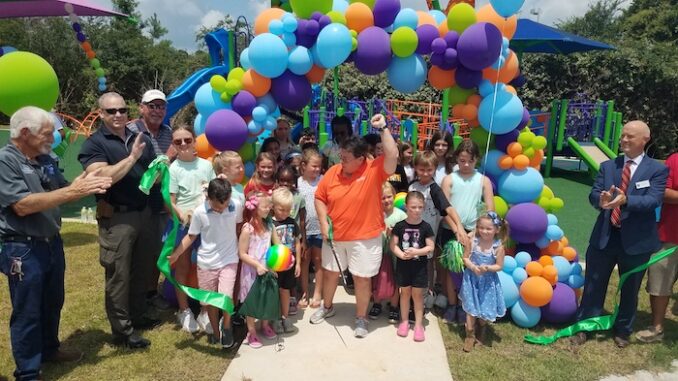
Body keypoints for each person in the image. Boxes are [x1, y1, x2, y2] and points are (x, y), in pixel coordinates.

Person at [0, 106, 112, 380]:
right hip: (22, 248)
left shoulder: (45, 159)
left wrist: (84, 181)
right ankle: (27, 371)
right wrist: (72, 191)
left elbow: (63, 190)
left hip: (51, 243)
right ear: (25, 133)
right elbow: (23, 205)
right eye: (47, 134)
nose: (53, 140)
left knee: (53, 302)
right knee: (27, 310)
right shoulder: (6, 161)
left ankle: (50, 349)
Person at [571, 121, 669, 348]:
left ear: (645, 139)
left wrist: (627, 201)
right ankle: (586, 325)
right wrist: (600, 200)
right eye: (623, 136)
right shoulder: (608, 166)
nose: (624, 140)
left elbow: (653, 200)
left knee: (630, 288)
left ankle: (623, 329)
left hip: (636, 241)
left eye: (630, 137)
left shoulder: (657, 169)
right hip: (605, 237)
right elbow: (594, 193)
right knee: (594, 283)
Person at [78, 92, 159, 348]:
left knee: (143, 269)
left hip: (144, 213)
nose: (118, 115)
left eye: (122, 110)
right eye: (111, 111)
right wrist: (132, 158)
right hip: (117, 217)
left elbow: (150, 174)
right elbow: (103, 177)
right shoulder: (94, 144)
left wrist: (160, 170)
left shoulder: (140, 138)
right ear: (101, 114)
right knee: (119, 275)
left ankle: (137, 315)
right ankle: (122, 332)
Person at [310, 114, 398, 338]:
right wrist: (322, 220)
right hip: (335, 236)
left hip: (365, 238)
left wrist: (384, 128)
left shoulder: (374, 170)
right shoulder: (333, 172)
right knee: (330, 274)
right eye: (341, 156)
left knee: (361, 277)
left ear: (361, 159)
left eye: (346, 158)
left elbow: (392, 154)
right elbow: (320, 197)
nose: (342, 162)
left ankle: (361, 318)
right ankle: (327, 307)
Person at [168, 178, 242, 349]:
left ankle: (227, 327)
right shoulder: (200, 212)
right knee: (210, 302)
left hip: (229, 259)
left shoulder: (236, 205)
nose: (221, 209)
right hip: (207, 263)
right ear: (208, 198)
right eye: (217, 206)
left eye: (225, 204)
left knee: (225, 297)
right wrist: (177, 254)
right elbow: (191, 236)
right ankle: (216, 333)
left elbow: (238, 226)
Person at [128, 89, 174, 311]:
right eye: (152, 106)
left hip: (162, 202)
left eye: (161, 106)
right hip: (136, 201)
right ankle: (134, 296)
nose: (157, 111)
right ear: (141, 107)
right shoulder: (131, 131)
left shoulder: (168, 132)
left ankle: (150, 292)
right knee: (138, 253)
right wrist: (170, 156)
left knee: (157, 248)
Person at [439, 140, 495, 323]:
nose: (465, 165)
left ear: (476, 160)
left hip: (474, 233)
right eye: (462, 160)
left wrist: (475, 232)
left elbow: (489, 209)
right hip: (451, 230)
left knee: (469, 272)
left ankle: (465, 306)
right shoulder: (449, 179)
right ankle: (452, 304)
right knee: (452, 269)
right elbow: (443, 208)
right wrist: (457, 230)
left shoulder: (483, 181)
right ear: (456, 158)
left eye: (469, 161)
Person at [168, 125, 216, 333]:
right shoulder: (173, 169)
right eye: (178, 142)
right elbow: (170, 200)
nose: (183, 144)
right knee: (182, 266)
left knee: (205, 267)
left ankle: (205, 310)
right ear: (174, 145)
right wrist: (182, 214)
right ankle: (184, 310)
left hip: (206, 223)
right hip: (183, 224)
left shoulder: (206, 166)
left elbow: (213, 193)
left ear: (195, 140)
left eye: (187, 140)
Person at [408, 150, 468, 313]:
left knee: (426, 265)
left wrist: (459, 227)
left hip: (427, 237)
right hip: (410, 234)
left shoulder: (434, 189)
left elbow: (447, 208)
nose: (425, 173)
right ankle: (410, 296)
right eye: (421, 169)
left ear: (435, 169)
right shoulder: (412, 186)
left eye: (429, 170)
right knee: (410, 264)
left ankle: (426, 296)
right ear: (415, 168)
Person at [635, 151, 678, 343]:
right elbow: (662, 191)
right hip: (671, 234)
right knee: (659, 280)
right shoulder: (675, 160)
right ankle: (657, 327)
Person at [390, 191, 435, 342]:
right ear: (406, 206)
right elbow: (393, 245)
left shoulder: (426, 227)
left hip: (419, 268)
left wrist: (417, 251)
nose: (416, 210)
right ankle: (403, 321)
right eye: (413, 207)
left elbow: (430, 247)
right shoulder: (399, 226)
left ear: (424, 207)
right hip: (403, 267)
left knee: (417, 296)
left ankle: (418, 325)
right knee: (404, 294)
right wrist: (401, 255)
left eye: (420, 207)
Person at [459, 212, 507, 352]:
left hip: (488, 283)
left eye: (488, 229)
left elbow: (499, 266)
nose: (484, 231)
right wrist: (473, 267)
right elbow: (465, 258)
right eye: (481, 228)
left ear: (497, 230)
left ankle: (482, 327)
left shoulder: (498, 247)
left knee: (484, 307)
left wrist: (488, 268)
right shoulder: (473, 241)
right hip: (471, 280)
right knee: (470, 308)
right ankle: (470, 334)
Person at [238, 191, 276, 348]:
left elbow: (276, 247)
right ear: (254, 208)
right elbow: (241, 253)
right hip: (252, 272)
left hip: (267, 268)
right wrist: (257, 265)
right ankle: (251, 331)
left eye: (269, 205)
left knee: (266, 299)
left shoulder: (269, 226)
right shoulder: (247, 229)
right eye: (265, 206)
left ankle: (265, 325)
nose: (268, 208)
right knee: (252, 302)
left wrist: (277, 263)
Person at [369, 182, 407, 322]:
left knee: (395, 280)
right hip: (379, 252)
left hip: (395, 254)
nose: (386, 200)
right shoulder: (375, 214)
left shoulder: (401, 215)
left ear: (394, 196)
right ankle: (377, 303)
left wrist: (395, 233)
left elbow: (405, 235)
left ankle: (394, 306)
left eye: (389, 197)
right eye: (382, 198)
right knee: (378, 277)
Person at [271, 188, 302, 334]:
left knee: (285, 291)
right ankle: (275, 318)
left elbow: (297, 243)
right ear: (273, 206)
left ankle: (285, 317)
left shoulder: (292, 222)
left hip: (289, 264)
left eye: (288, 210)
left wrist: (298, 264)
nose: (284, 213)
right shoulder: (270, 223)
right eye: (281, 209)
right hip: (275, 265)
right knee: (275, 292)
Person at [276, 165, 307, 314]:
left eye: (289, 181)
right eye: (282, 180)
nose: (285, 184)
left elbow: (302, 220)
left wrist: (303, 241)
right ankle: (280, 303)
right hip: (278, 244)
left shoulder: (298, 197)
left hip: (292, 236)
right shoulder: (275, 197)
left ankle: (292, 299)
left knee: (291, 276)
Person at [297, 148, 324, 309]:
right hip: (304, 230)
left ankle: (318, 293)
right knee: (305, 260)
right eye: (313, 166)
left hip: (320, 228)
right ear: (303, 165)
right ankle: (305, 292)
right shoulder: (298, 182)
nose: (317, 169)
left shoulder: (323, 180)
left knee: (319, 261)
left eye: (319, 166)